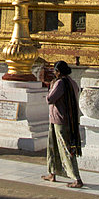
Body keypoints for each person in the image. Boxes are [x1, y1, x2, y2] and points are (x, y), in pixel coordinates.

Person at [41, 60, 84, 189]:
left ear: (59, 72)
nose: (54, 73)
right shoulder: (72, 82)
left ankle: (77, 178)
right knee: (53, 147)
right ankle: (52, 173)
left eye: (55, 71)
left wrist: (51, 86)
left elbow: (50, 99)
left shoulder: (60, 83)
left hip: (60, 120)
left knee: (65, 148)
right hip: (63, 119)